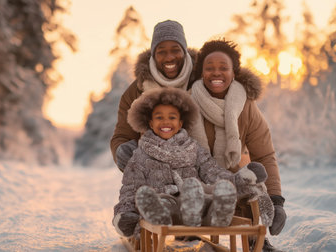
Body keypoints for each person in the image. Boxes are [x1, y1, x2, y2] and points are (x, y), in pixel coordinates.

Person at [112, 87, 274, 238]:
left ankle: (217, 213)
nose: (166, 122)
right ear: (150, 123)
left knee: (203, 195)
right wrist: (125, 213)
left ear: (181, 123)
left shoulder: (193, 149)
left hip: (195, 200)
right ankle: (159, 216)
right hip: (166, 201)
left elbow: (213, 173)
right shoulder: (140, 155)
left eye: (172, 117)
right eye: (159, 117)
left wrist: (242, 179)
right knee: (161, 201)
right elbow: (130, 188)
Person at [188, 38, 286, 251]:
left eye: (224, 68)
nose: (216, 73)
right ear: (201, 72)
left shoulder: (246, 107)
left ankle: (254, 239)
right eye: (209, 68)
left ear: (234, 72)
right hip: (196, 178)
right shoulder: (187, 102)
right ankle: (188, 229)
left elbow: (264, 154)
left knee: (250, 179)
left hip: (233, 180)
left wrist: (276, 200)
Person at [110, 20, 198, 172]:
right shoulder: (137, 91)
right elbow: (122, 135)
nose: (169, 57)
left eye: (175, 50)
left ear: (184, 51)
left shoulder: (201, 81)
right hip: (155, 174)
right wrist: (122, 152)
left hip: (200, 170)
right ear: (153, 55)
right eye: (161, 51)